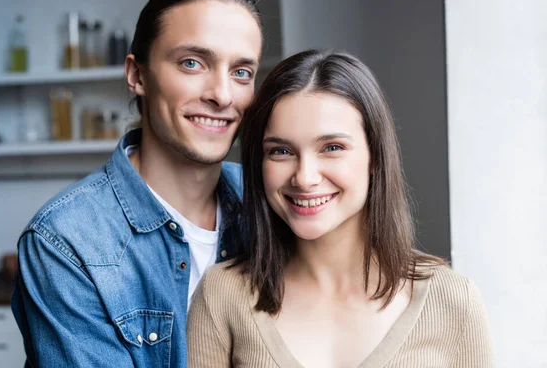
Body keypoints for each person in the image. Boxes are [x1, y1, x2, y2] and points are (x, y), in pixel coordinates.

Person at [11, 0, 263, 368]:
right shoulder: (66, 241)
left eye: (241, 72)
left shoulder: (269, 203)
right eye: (192, 63)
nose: (222, 95)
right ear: (137, 75)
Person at [187, 50, 494, 367]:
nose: (305, 178)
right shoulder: (221, 295)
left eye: (332, 148)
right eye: (281, 151)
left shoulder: (454, 301)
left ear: (374, 156)